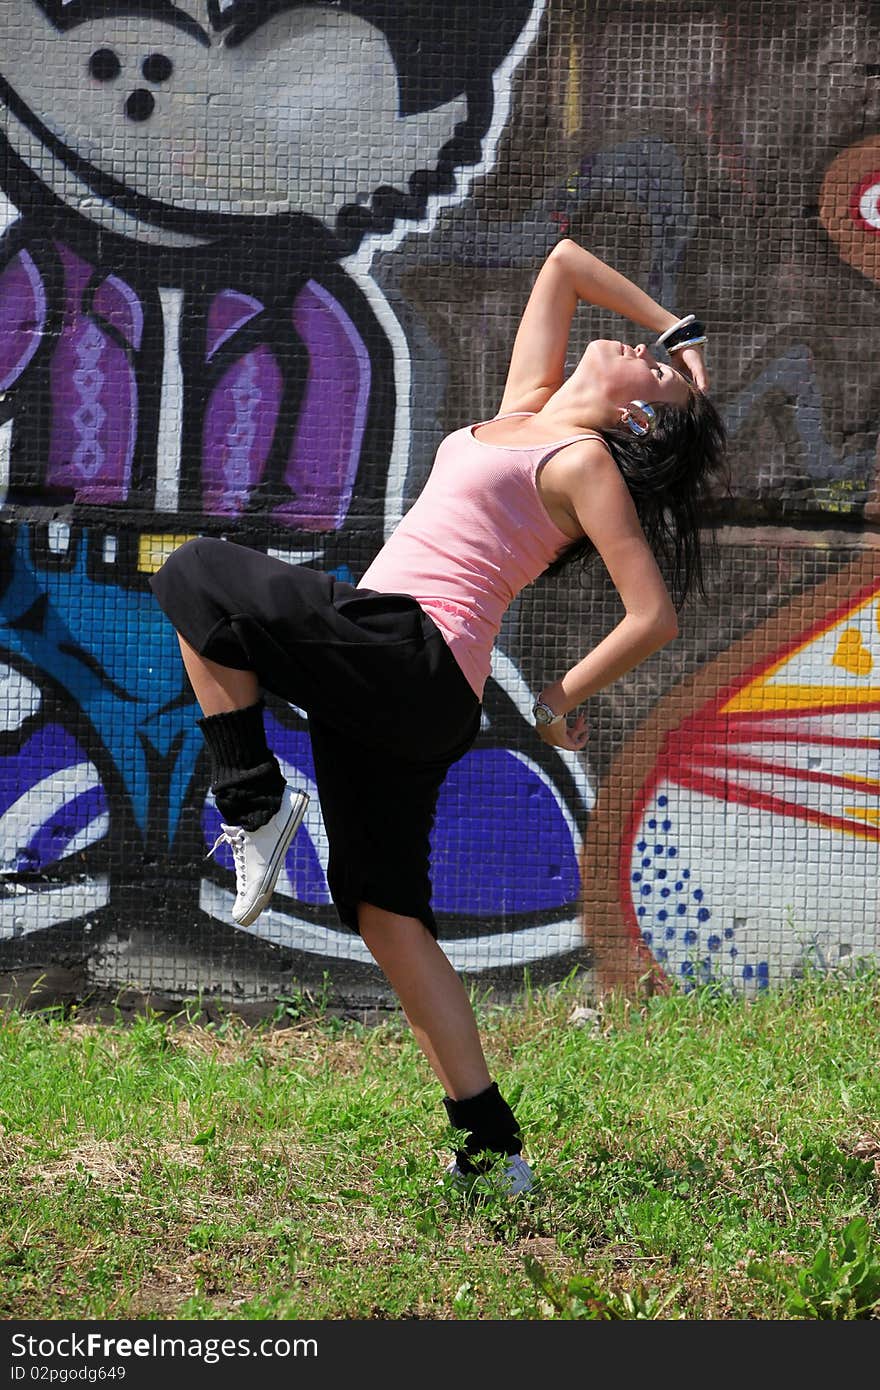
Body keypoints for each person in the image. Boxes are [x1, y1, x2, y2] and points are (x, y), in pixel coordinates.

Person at [149, 236, 726, 1197]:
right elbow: (566, 264)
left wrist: (557, 700)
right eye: (651, 354)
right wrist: (677, 329)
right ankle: (493, 1147)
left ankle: (251, 803)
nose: (645, 356)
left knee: (195, 574)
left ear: (635, 418)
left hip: (413, 656)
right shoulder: (524, 414)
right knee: (386, 912)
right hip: (396, 680)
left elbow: (651, 615)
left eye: (657, 374)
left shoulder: (585, 462)